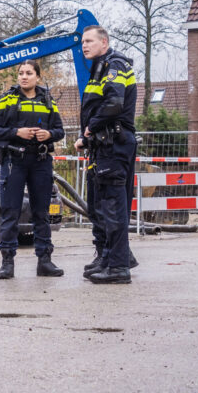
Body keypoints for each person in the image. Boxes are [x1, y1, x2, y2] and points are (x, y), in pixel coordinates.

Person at [0, 60, 65, 279]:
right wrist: (16, 132)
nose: (24, 77)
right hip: (14, 161)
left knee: (41, 212)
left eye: (29, 73)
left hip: (40, 161)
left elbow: (60, 130)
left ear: (37, 77)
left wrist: (49, 135)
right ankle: (7, 262)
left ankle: (45, 261)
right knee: (10, 212)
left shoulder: (48, 101)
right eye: (21, 73)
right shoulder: (7, 100)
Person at [74, 25, 137, 284]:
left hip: (114, 145)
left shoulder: (115, 65)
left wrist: (90, 128)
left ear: (104, 42)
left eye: (89, 41)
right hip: (103, 146)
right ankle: (109, 257)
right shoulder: (99, 68)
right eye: (82, 42)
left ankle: (119, 267)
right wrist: (85, 136)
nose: (84, 46)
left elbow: (114, 104)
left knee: (112, 206)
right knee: (99, 206)